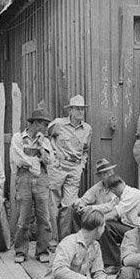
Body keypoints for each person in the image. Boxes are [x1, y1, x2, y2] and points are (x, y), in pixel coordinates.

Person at [9, 108, 55, 264]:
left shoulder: (45, 140)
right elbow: (17, 159)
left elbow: (50, 161)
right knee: (23, 218)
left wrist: (41, 147)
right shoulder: (18, 138)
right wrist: (32, 162)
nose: (46, 128)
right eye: (44, 124)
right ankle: (20, 251)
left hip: (41, 179)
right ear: (35, 123)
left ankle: (42, 250)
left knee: (44, 217)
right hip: (24, 179)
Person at [48, 94, 92, 244]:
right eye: (77, 109)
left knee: (68, 205)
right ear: (70, 110)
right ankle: (53, 240)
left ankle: (65, 240)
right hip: (58, 167)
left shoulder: (87, 129)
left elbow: (86, 150)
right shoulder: (58, 124)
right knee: (53, 204)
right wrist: (52, 157)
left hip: (74, 168)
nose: (80, 112)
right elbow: (45, 138)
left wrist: (81, 165)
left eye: (82, 109)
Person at [95, 173, 140, 269]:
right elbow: (108, 206)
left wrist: (97, 220)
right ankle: (112, 258)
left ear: (113, 190)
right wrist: (89, 208)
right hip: (129, 226)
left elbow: (114, 213)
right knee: (106, 225)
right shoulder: (121, 195)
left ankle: (114, 264)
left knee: (105, 226)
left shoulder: (132, 194)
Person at [72, 158, 118, 227]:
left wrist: (91, 208)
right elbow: (85, 199)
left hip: (114, 220)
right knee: (75, 212)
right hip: (99, 219)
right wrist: (80, 205)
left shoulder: (118, 185)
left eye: (111, 171)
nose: (110, 174)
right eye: (105, 173)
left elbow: (111, 206)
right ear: (100, 176)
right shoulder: (98, 187)